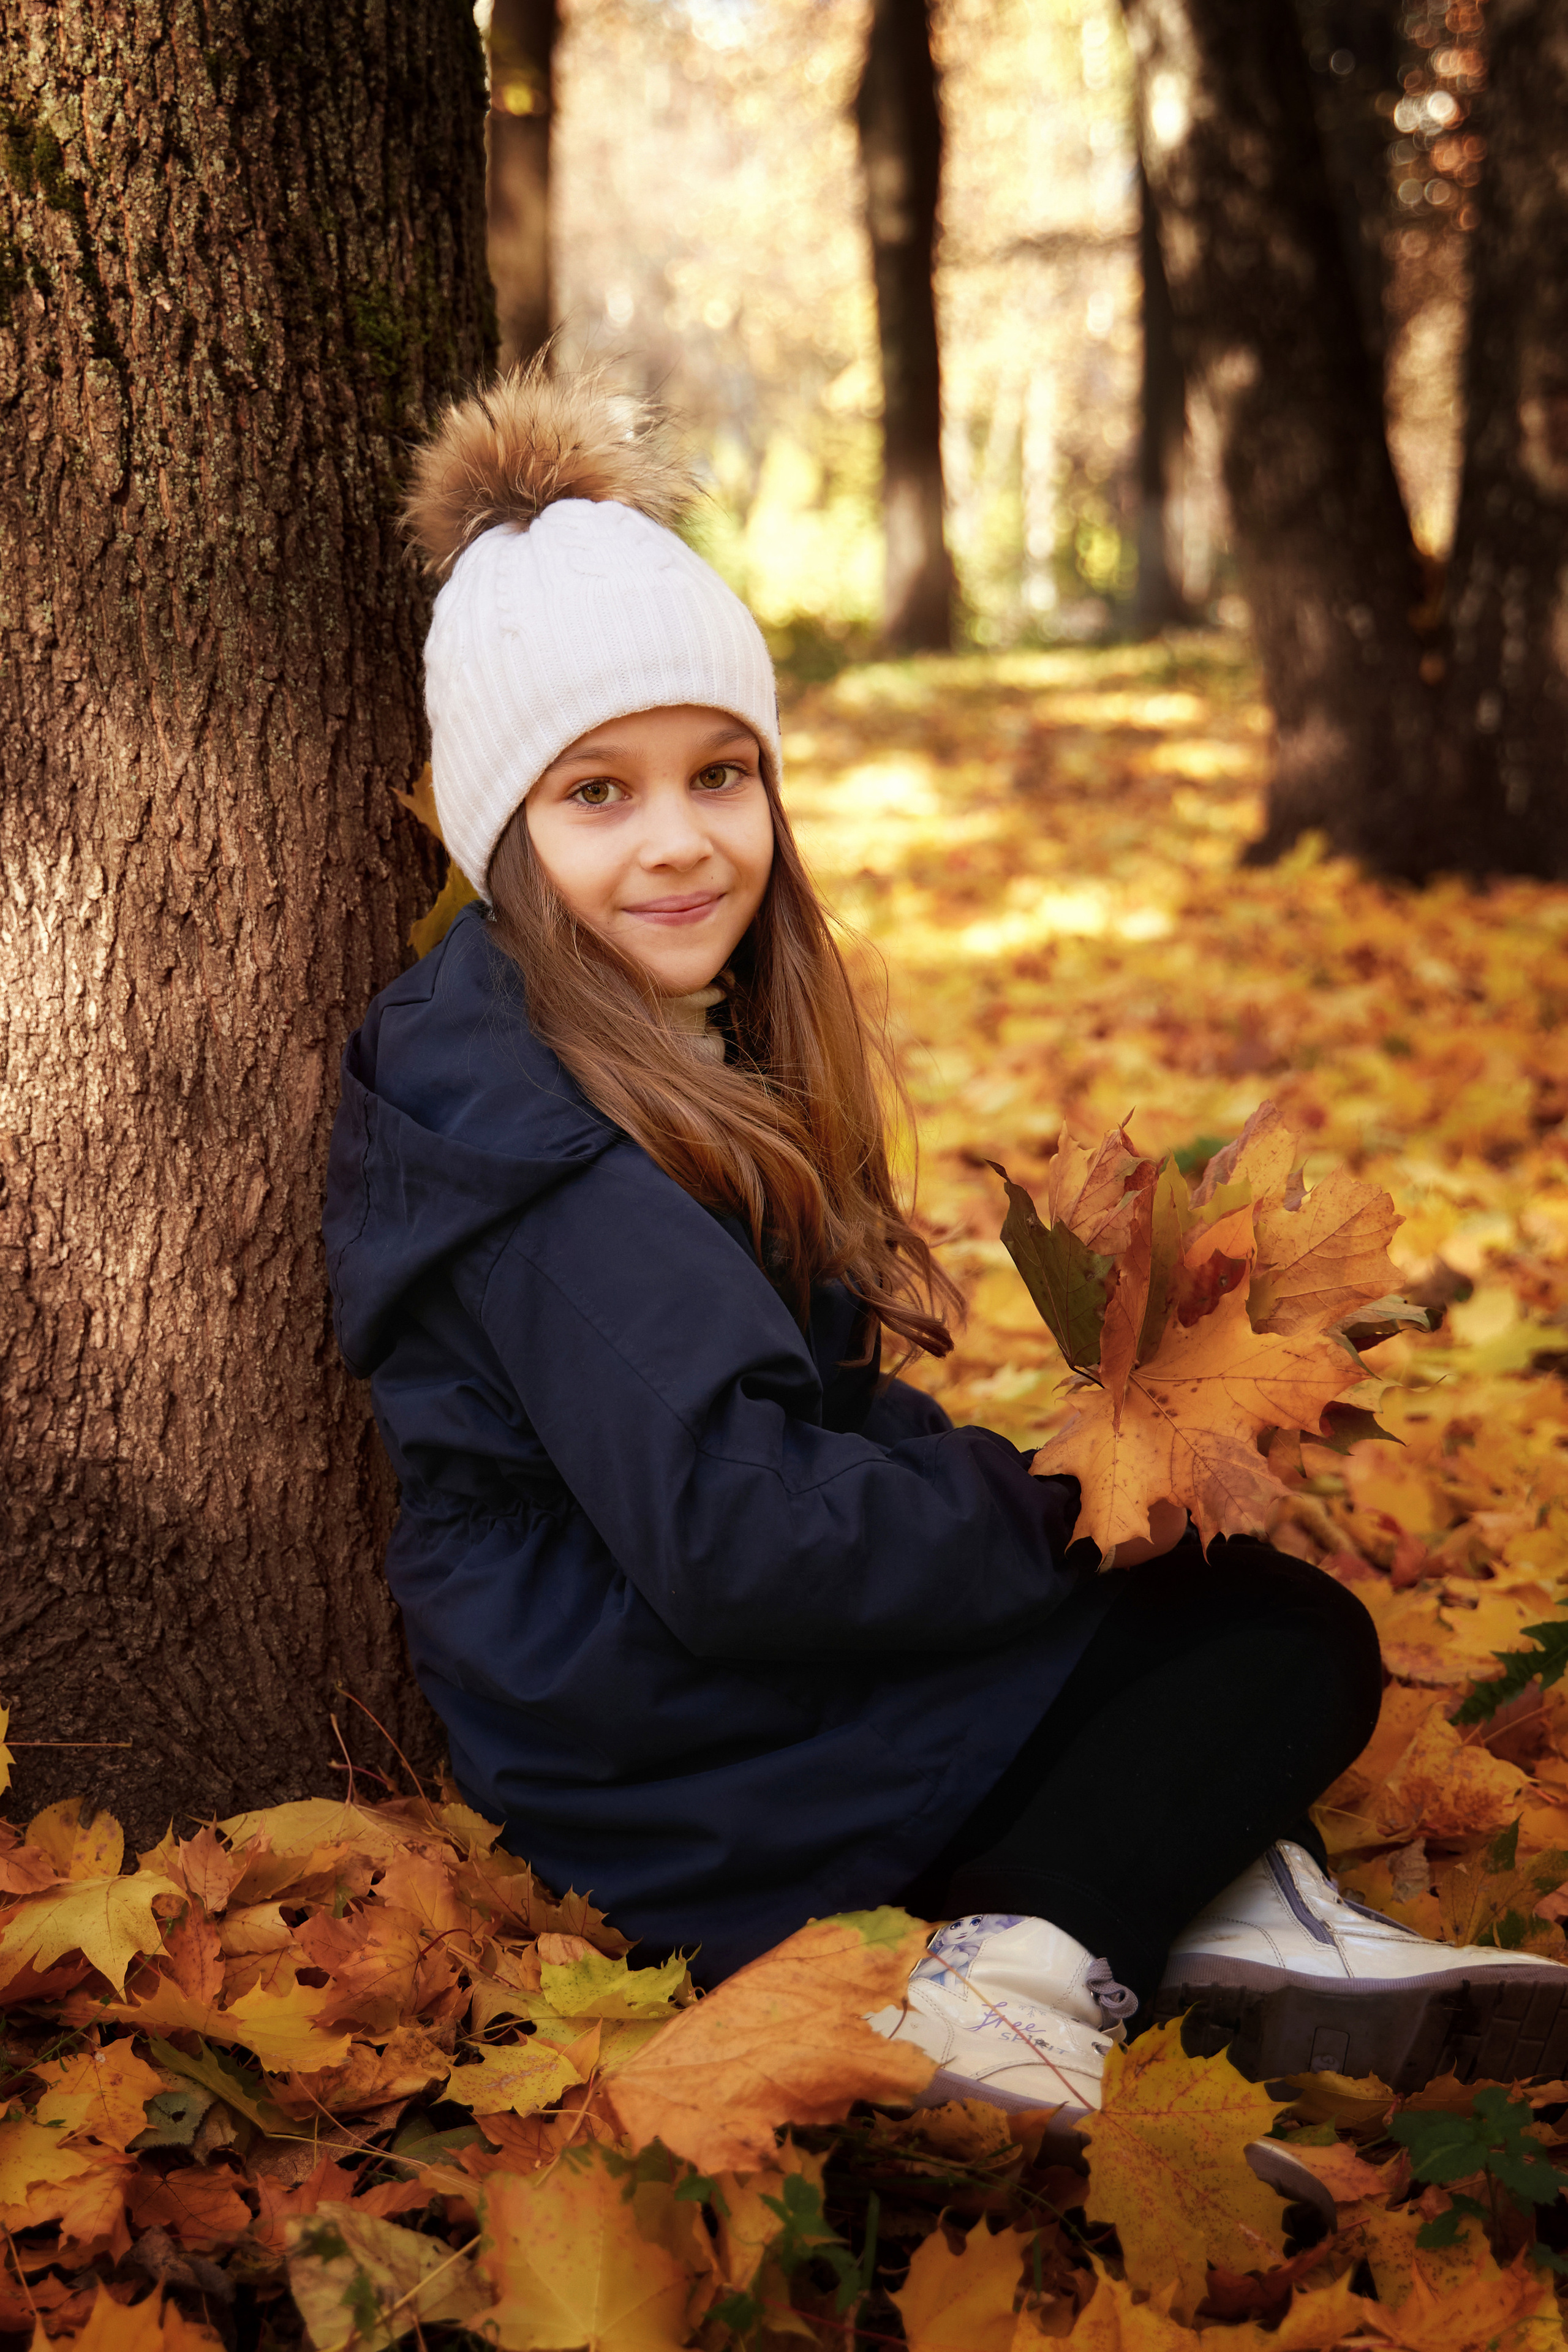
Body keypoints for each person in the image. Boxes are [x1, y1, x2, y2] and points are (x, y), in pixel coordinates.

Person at [322, 366, 1568, 2124]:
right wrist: (1064, 1513)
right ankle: (1016, 1983)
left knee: (1243, 1621)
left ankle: (1223, 1914)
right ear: (500, 831)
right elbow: (748, 1540)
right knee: (1284, 1647)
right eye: (597, 795)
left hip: (694, 1674)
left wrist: (1059, 1496)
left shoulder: (656, 1062)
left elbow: (794, 1434)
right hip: (660, 1745)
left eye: (720, 775)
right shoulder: (541, 1153)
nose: (680, 841)